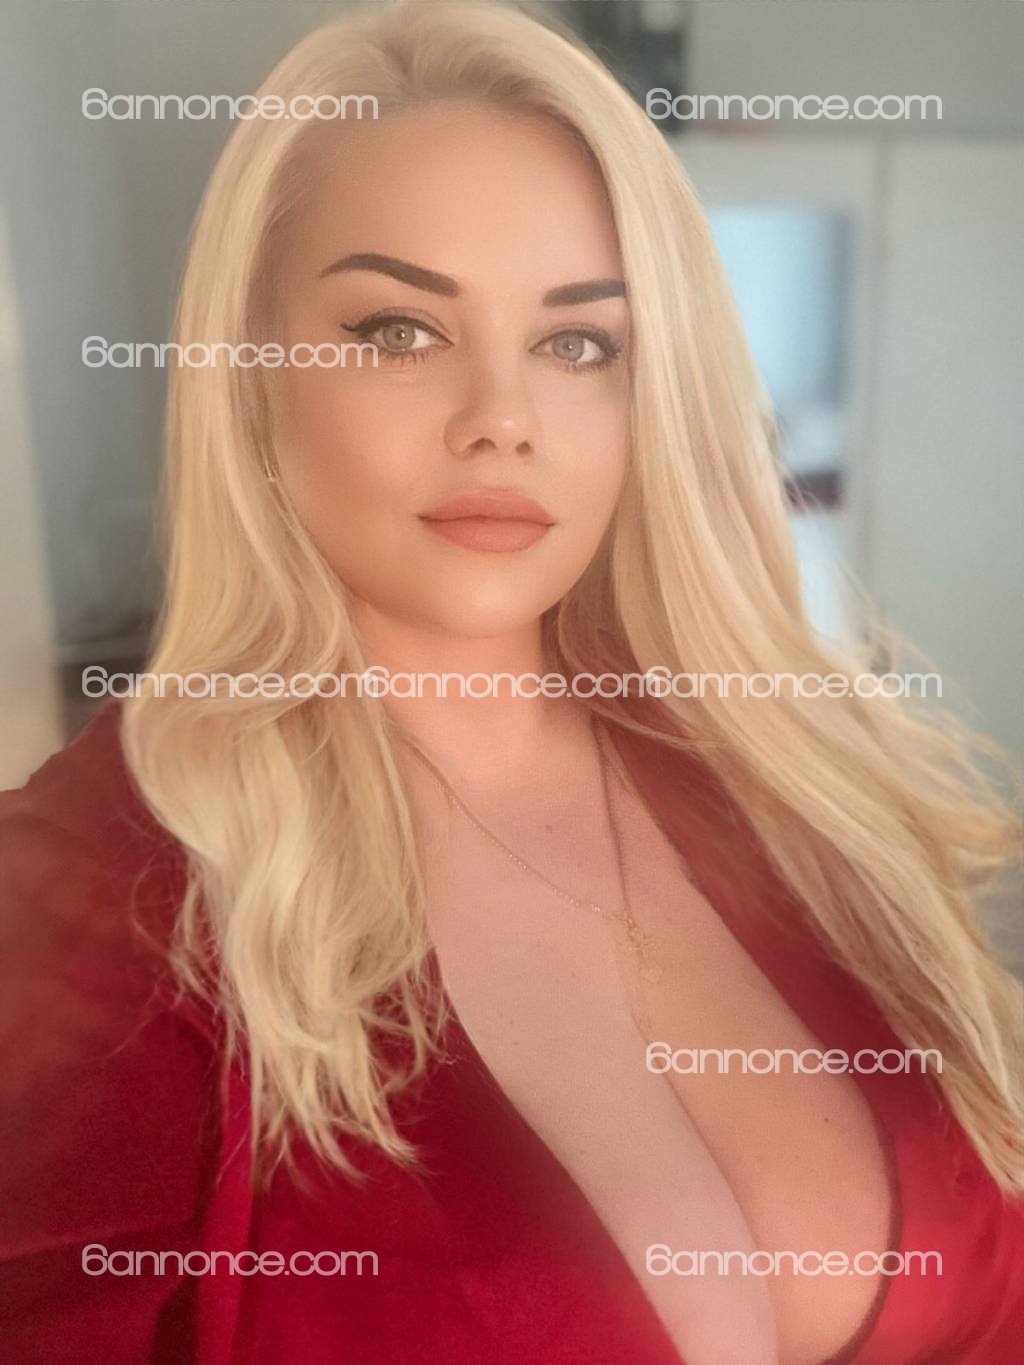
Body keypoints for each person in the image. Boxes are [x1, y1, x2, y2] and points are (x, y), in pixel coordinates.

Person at [1, 2, 1021, 1361]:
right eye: (396, 330)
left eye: (578, 342)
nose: (502, 417)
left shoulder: (794, 781)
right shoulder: (82, 899)